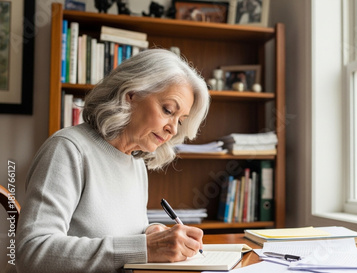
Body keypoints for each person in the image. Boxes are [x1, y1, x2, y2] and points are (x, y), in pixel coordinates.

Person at [13, 49, 210, 273]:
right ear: (131, 93)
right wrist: (144, 248)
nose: (173, 129)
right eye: (168, 110)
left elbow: (115, 235)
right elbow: (32, 252)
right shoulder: (68, 150)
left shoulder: (135, 162)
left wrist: (151, 233)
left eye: (180, 121)